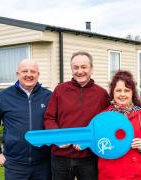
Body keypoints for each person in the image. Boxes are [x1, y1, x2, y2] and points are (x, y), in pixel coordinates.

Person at [44, 51, 109, 180]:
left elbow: (105, 123)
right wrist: (58, 137)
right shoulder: (60, 90)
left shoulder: (101, 94)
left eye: (84, 67)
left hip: (89, 157)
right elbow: (49, 117)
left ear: (91, 69)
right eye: (76, 67)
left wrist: (90, 140)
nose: (80, 71)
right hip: (61, 156)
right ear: (71, 69)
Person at [0, 59, 52, 180]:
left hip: (43, 163)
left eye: (33, 71)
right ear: (18, 74)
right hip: (15, 164)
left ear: (38, 74)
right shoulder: (3, 97)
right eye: (24, 71)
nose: (29, 74)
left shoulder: (48, 96)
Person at [98, 70, 141, 180]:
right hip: (110, 174)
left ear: (132, 93)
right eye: (118, 90)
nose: (122, 94)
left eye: (126, 90)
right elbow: (96, 141)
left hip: (137, 174)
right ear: (113, 92)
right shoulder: (103, 116)